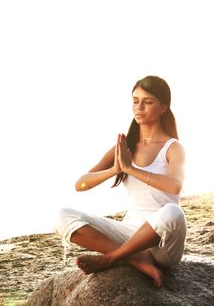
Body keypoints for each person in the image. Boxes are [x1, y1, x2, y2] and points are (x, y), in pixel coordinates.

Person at [55, 75, 186, 288]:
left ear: (163, 107)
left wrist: (131, 169)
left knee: (173, 212)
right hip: (131, 233)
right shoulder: (124, 147)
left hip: (163, 241)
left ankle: (110, 258)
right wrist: (115, 170)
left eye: (148, 101)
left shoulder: (173, 148)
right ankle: (135, 258)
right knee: (62, 215)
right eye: (135, 101)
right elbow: (80, 185)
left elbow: (174, 185)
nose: (139, 107)